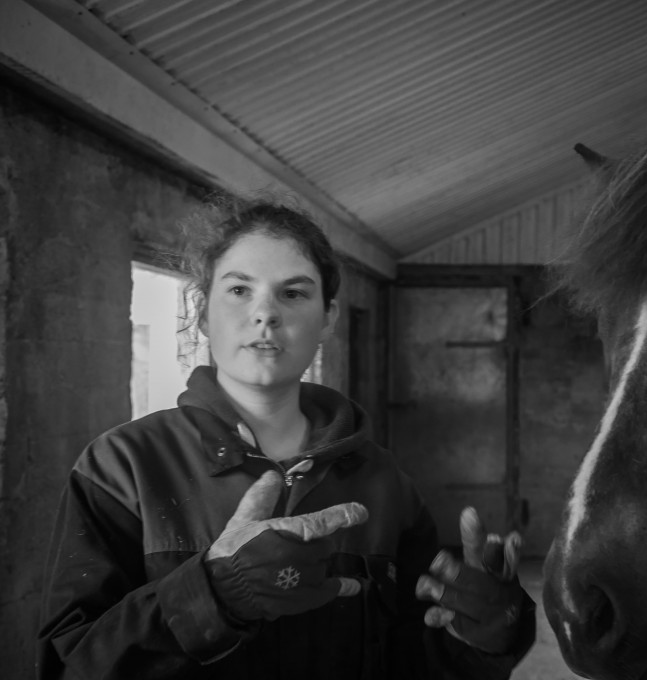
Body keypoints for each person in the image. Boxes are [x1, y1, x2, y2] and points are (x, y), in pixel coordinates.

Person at [37, 197, 535, 679]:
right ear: (203, 313)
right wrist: (213, 594)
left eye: (293, 293)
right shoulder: (122, 468)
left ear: (329, 318)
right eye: (238, 290)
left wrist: (484, 636)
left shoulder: (382, 481)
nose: (266, 314)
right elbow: (70, 667)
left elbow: (415, 660)